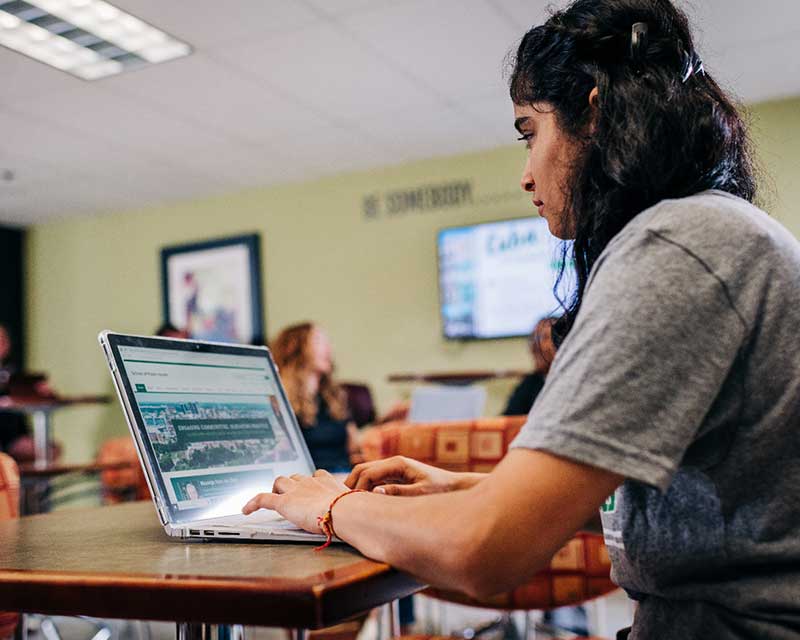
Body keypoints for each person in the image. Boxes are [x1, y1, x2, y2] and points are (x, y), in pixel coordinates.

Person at [243, 1, 800, 637]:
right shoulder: (715, 229)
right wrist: (471, 489)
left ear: (593, 113)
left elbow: (484, 555)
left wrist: (332, 507)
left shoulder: (677, 244)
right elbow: (699, 507)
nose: (526, 174)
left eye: (530, 133)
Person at [270, 322, 360, 474]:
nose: (328, 348)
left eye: (327, 342)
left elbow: (355, 446)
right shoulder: (279, 399)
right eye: (318, 341)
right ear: (295, 347)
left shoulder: (335, 396)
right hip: (308, 480)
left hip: (344, 476)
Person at [502, 317, 557, 416]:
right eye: (534, 338)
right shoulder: (531, 382)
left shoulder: (571, 379)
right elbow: (509, 417)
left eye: (544, 337)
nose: (536, 345)